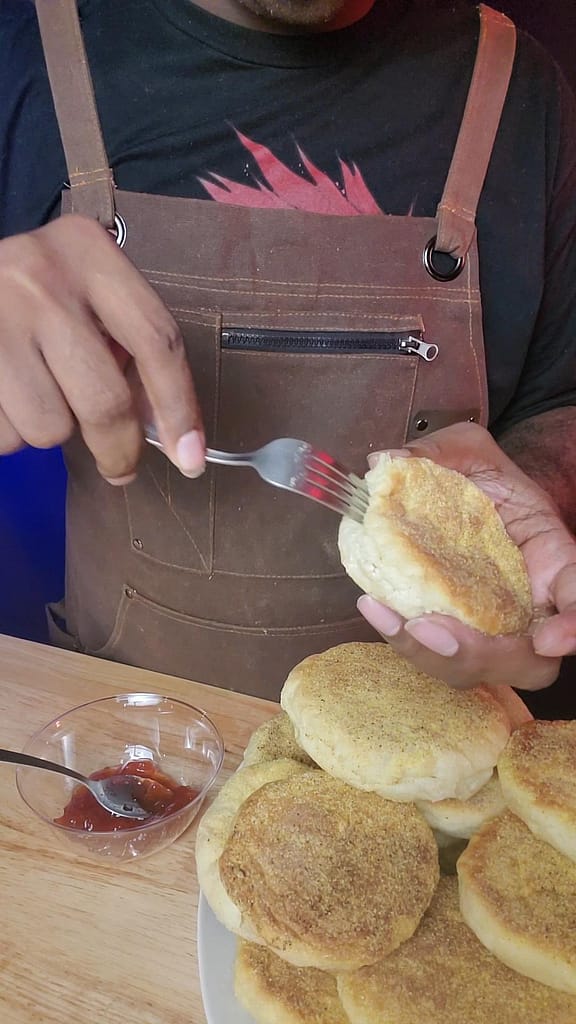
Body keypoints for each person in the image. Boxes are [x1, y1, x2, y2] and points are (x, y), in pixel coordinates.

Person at [1, 0, 575, 708]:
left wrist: (511, 525)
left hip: (435, 725)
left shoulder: (520, 88)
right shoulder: (24, 55)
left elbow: (558, 397)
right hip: (121, 727)